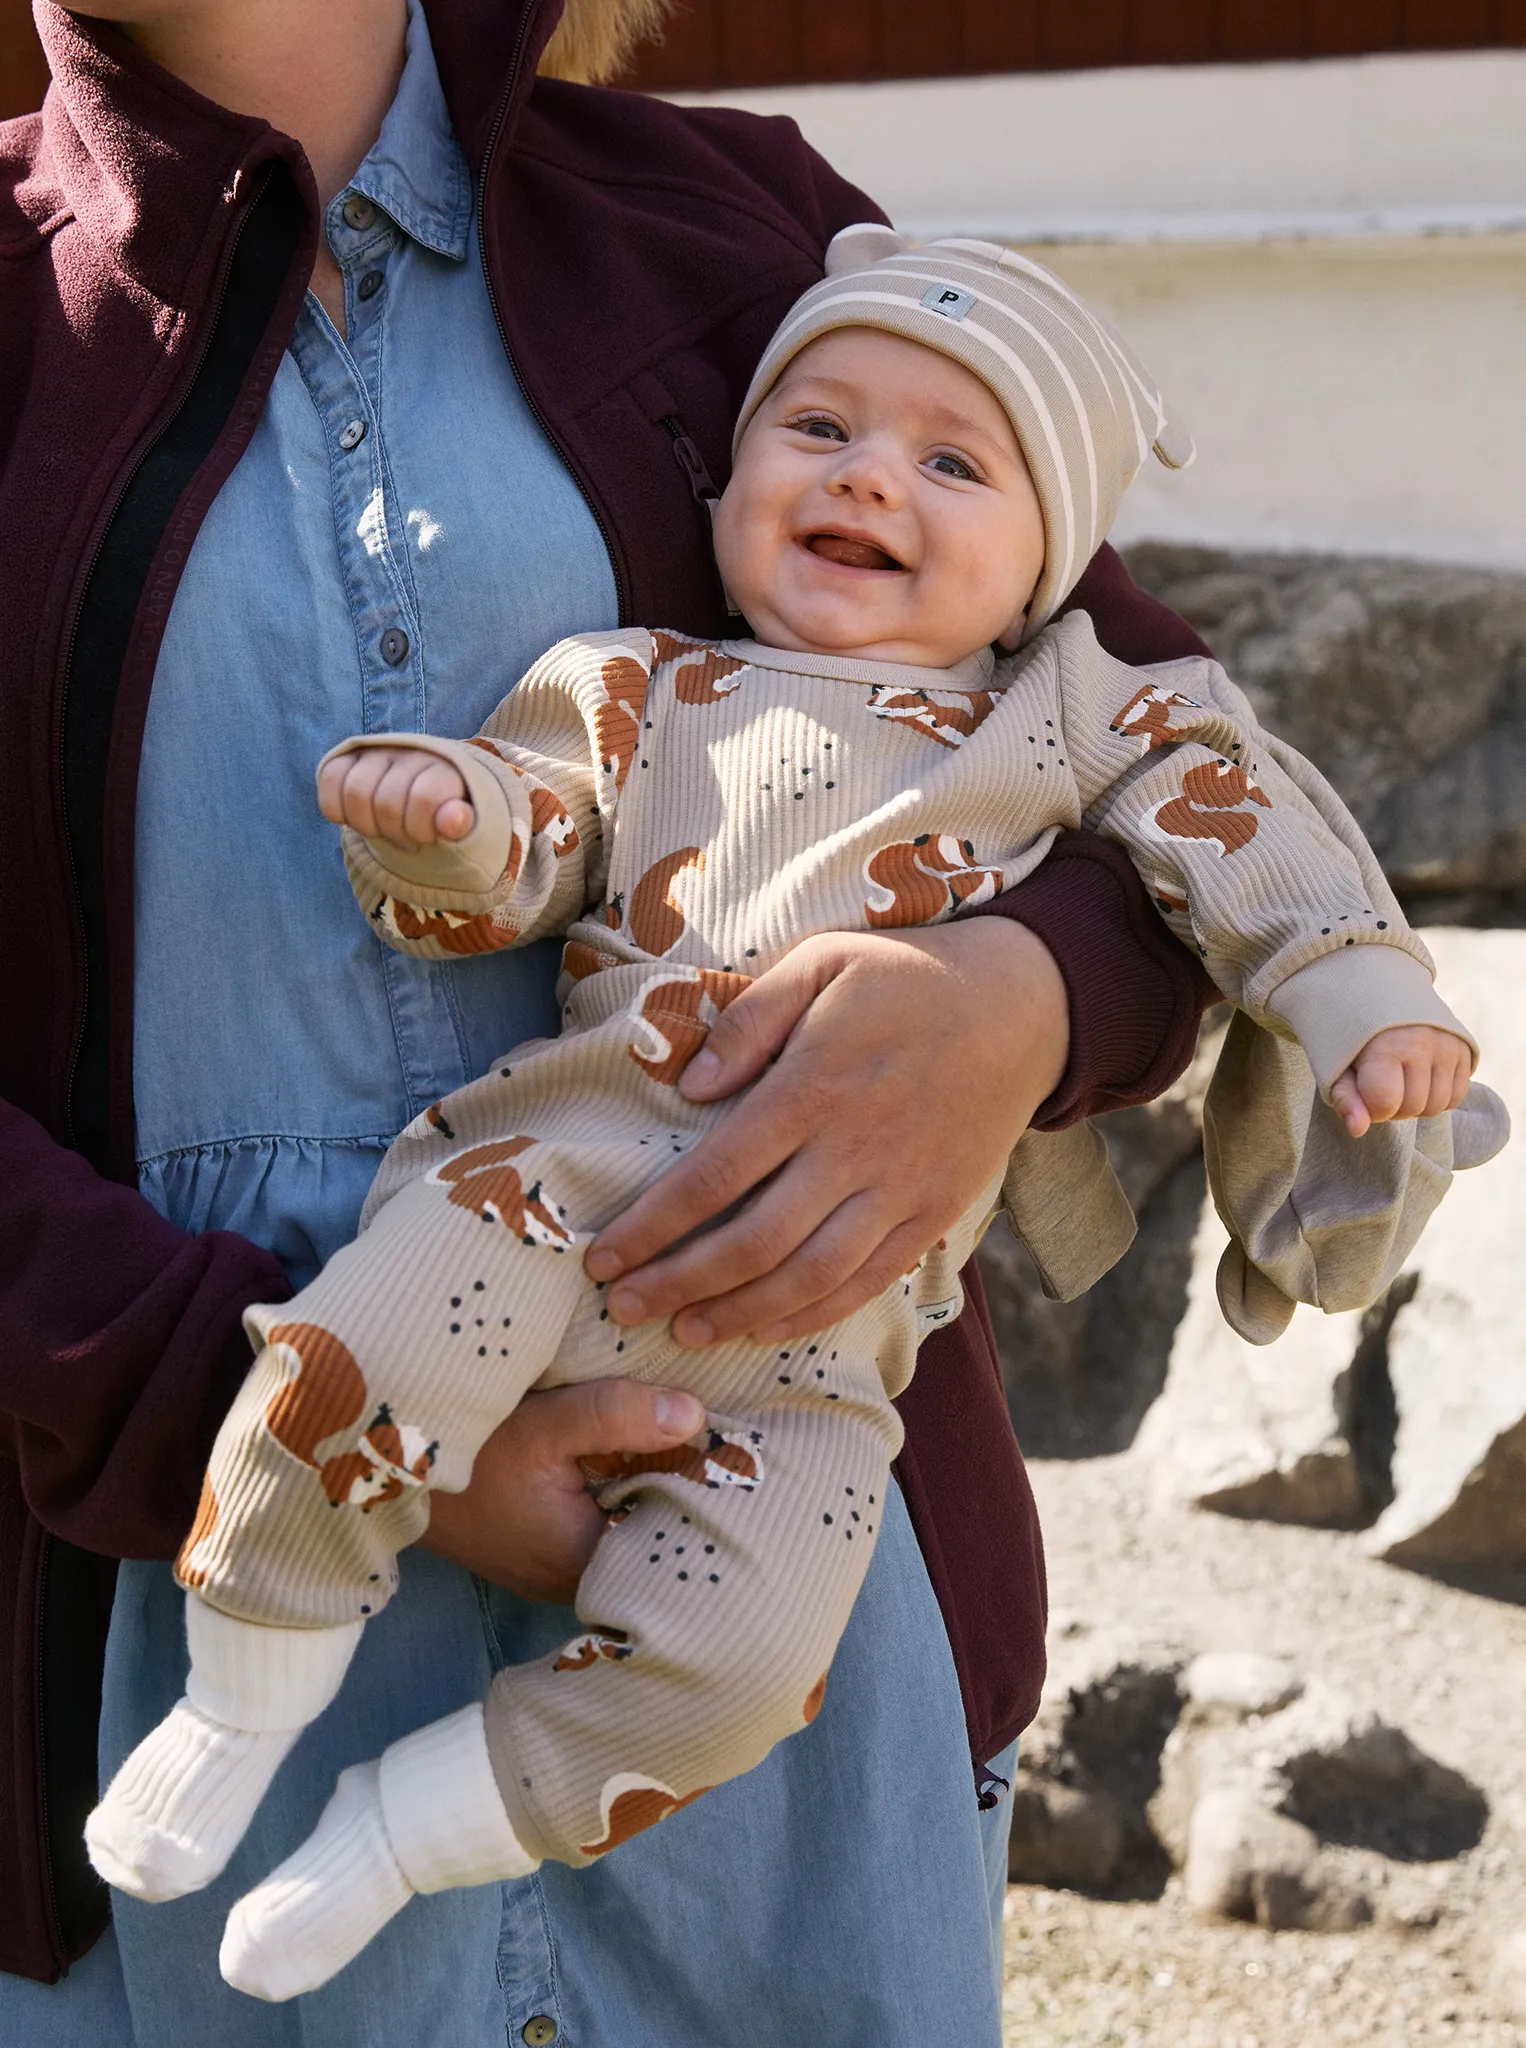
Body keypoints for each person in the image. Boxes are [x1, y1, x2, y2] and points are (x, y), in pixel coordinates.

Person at [1, 3, 1230, 2043]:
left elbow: (1151, 742)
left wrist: (1007, 1004)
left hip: (776, 1584)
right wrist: (253, 1411)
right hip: (153, 1594)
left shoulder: (732, 228)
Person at [86, 233, 1496, 2005]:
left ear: (1046, 558)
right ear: (736, 474)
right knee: (344, 1362)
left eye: (951, 464)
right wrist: (440, 817)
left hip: (822, 1335)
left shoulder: (1062, 708)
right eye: (817, 425)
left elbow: (1244, 827)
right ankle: (242, 1689)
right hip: (556, 1189)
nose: (866, 476)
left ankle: (401, 1830)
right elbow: (511, 858)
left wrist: (1364, 994)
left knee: (745, 1659)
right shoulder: (639, 683)